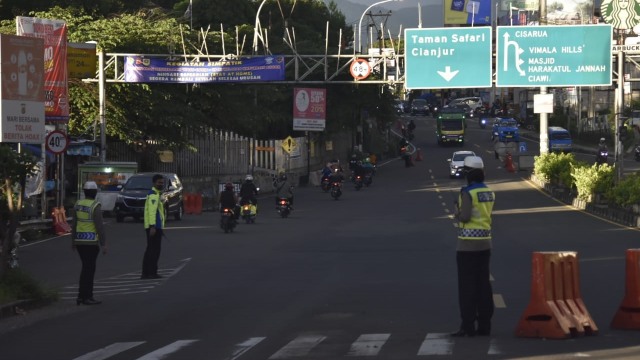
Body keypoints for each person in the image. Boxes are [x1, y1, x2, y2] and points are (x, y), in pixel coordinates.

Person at [451, 156, 495, 337]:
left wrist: (457, 212)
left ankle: (467, 326)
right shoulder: (488, 192)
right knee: (483, 285)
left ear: (468, 173)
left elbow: (465, 217)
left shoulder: (467, 193)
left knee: (467, 287)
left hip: (467, 247)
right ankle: (484, 325)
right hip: (485, 245)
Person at [71, 181, 107, 305]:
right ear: (95, 192)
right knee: (89, 270)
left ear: (84, 192)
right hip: (91, 242)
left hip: (80, 241)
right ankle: (87, 296)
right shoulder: (95, 206)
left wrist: (73, 241)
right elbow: (99, 227)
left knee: (85, 268)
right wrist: (103, 244)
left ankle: (81, 296)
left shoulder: (78, 204)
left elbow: (74, 224)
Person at [141, 174, 165, 279]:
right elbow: (152, 212)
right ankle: (151, 272)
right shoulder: (153, 195)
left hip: (155, 226)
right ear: (154, 183)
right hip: (154, 227)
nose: (161, 184)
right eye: (159, 182)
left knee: (150, 250)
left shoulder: (157, 194)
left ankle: (146, 273)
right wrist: (152, 226)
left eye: (162, 182)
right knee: (154, 251)